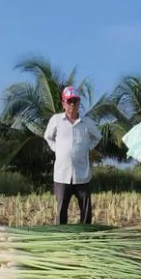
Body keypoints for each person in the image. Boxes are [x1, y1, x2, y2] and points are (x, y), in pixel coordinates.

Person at [44, 86, 102, 224]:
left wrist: (87, 148)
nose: (72, 104)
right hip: (62, 175)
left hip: (82, 174)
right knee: (61, 209)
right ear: (63, 103)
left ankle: (85, 237)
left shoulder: (86, 123)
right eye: (69, 101)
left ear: (79, 103)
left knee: (86, 210)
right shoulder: (56, 120)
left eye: (75, 101)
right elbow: (48, 137)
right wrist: (56, 149)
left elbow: (97, 137)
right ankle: (61, 237)